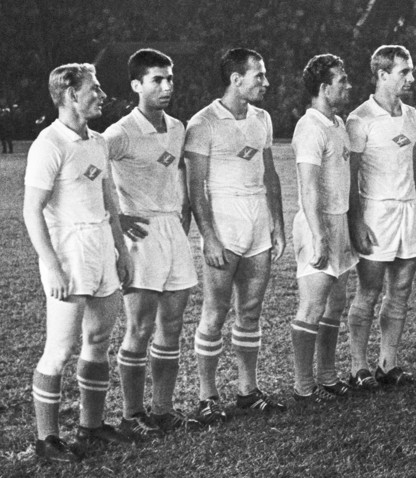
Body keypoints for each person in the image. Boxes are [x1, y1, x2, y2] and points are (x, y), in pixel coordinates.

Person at [23, 63, 133, 463]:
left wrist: (120, 250)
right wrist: (50, 264)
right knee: (60, 348)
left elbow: (110, 203)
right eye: (95, 88)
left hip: (101, 242)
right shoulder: (48, 144)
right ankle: (46, 440)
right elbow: (32, 211)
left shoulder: (99, 141)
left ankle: (92, 425)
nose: (102, 95)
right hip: (68, 249)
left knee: (99, 340)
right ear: (70, 93)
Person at [184, 48, 286, 424]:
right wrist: (209, 236)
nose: (266, 82)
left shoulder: (262, 118)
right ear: (235, 79)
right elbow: (195, 190)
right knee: (214, 312)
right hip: (224, 225)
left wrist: (277, 222)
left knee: (251, 311)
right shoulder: (203, 123)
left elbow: (270, 174)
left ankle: (247, 390)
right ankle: (206, 395)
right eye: (258, 76)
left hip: (257, 220)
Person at [103, 49, 200, 436]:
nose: (165, 86)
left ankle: (162, 409)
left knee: (172, 326)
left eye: (169, 79)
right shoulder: (120, 132)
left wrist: (184, 217)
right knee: (140, 328)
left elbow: (178, 172)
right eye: (156, 79)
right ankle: (131, 416)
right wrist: (119, 216)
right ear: (136, 85)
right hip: (139, 236)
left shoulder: (178, 127)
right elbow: (90, 173)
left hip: (172, 231)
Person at [346, 45, 416, 388]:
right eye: (404, 71)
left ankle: (387, 364)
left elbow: (414, 168)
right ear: (381, 74)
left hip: (407, 210)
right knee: (369, 290)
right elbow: (350, 176)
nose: (411, 77)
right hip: (376, 211)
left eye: (410, 71)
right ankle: (357, 367)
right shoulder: (359, 118)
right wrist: (357, 220)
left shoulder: (411, 114)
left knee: (402, 290)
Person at [289, 53, 359, 402]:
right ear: (322, 87)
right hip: (317, 224)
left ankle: (327, 376)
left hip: (339, 220)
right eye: (341, 81)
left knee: (335, 304)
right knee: (313, 306)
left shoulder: (338, 123)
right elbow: (308, 188)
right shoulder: (310, 127)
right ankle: (304, 387)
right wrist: (318, 237)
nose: (348, 85)